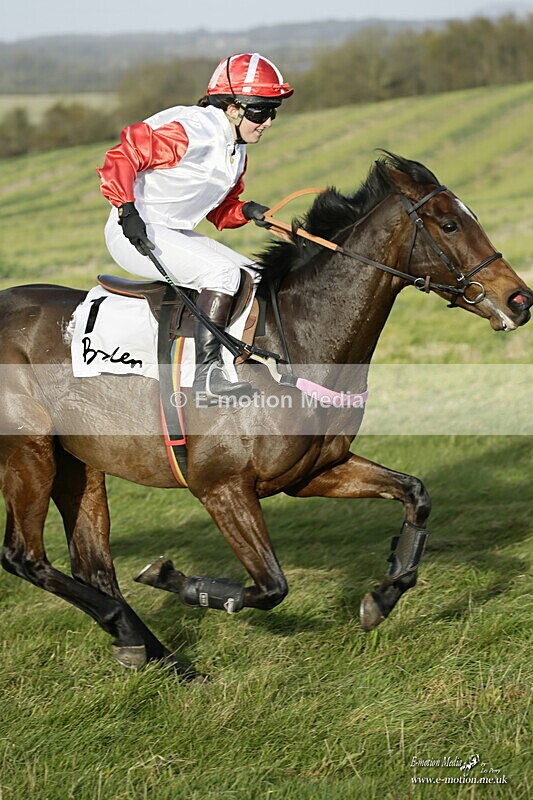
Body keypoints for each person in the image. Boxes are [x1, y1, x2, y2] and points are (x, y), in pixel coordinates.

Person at [98, 52, 293, 400]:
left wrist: (248, 210)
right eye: (260, 111)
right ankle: (207, 376)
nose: (268, 121)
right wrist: (126, 210)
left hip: (173, 233)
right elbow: (122, 156)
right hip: (135, 231)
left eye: (273, 111)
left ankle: (240, 360)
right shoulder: (191, 131)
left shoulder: (237, 149)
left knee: (254, 275)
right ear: (232, 108)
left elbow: (220, 211)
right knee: (222, 275)